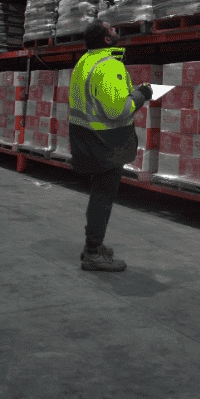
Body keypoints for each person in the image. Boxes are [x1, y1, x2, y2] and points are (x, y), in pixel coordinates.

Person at [68, 20, 153, 272]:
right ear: (106, 40)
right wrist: (141, 94)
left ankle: (93, 245)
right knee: (102, 198)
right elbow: (118, 110)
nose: (116, 30)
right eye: (112, 29)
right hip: (106, 142)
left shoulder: (85, 61)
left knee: (98, 194)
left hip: (85, 139)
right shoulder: (109, 65)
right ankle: (93, 252)